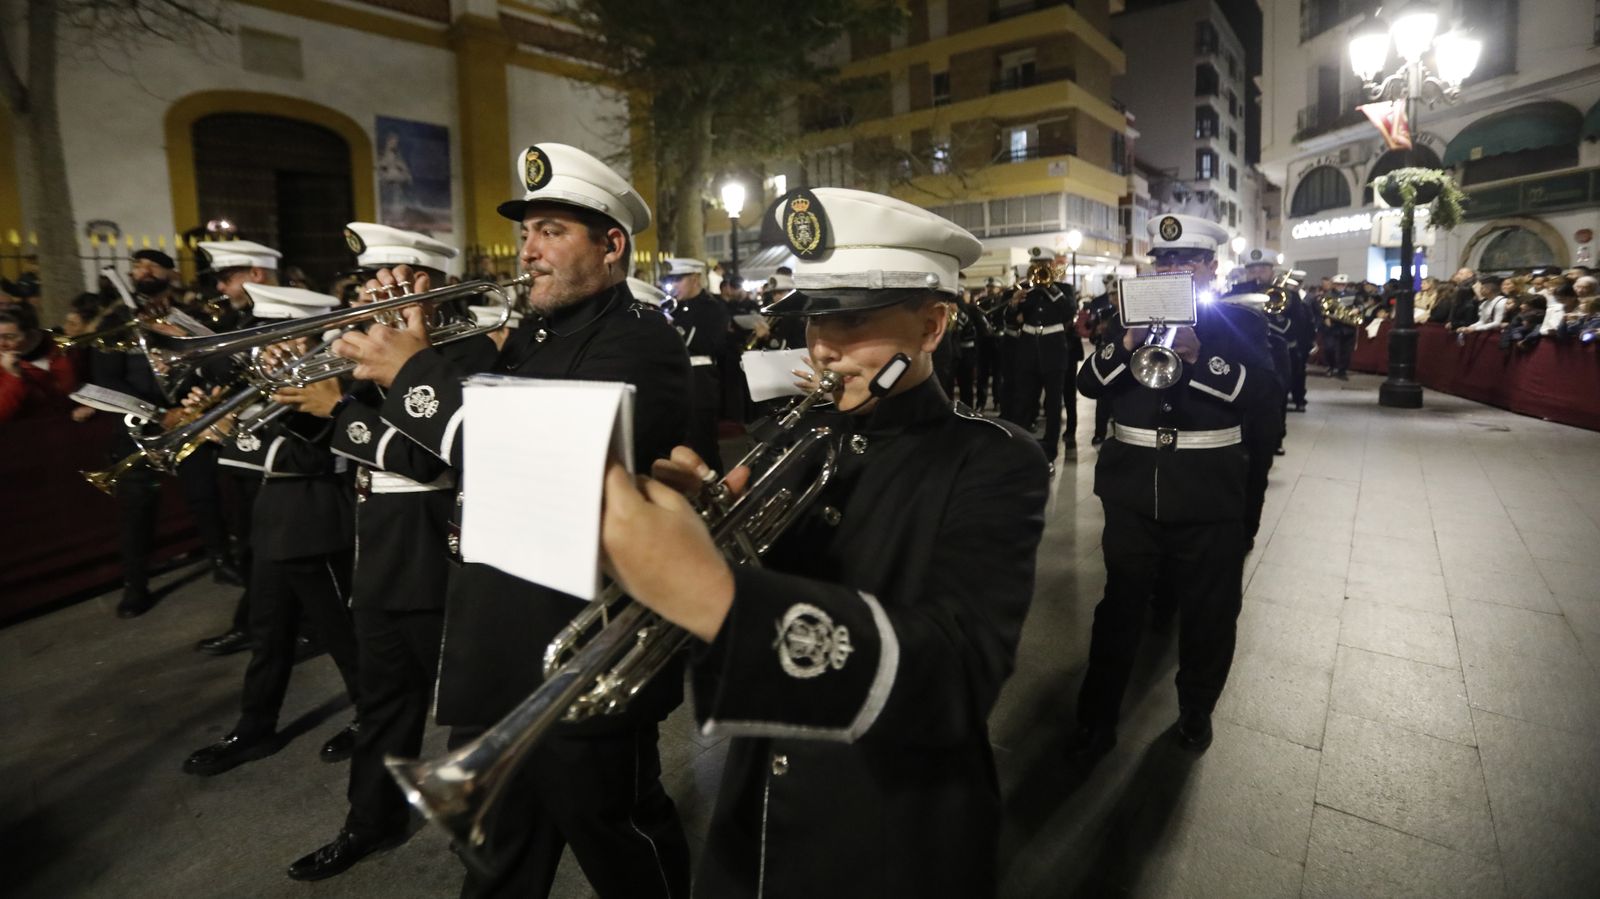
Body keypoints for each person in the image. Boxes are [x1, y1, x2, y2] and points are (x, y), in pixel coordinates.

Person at [599, 186, 1051, 896]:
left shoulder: (994, 458)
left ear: (932, 326)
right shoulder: (799, 432)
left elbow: (958, 671)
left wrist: (718, 592)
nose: (820, 346)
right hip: (755, 803)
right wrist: (705, 531)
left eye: (854, 319)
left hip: (888, 831)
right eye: (814, 318)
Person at [331, 142, 693, 899]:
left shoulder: (643, 342)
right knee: (494, 863)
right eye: (528, 233)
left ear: (611, 244)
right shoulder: (525, 336)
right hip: (496, 645)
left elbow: (551, 466)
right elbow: (432, 453)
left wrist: (416, 369)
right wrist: (397, 344)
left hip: (586, 653)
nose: (528, 251)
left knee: (621, 842)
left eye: (552, 230)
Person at [270, 222, 488, 881]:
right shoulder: (365, 347)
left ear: (427, 282)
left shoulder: (469, 349)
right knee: (382, 702)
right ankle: (369, 820)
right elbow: (323, 443)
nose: (375, 290)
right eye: (371, 278)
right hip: (379, 553)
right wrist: (288, 395)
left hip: (434, 552)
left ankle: (484, 837)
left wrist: (338, 411)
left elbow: (426, 457)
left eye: (391, 276)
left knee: (464, 716)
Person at [1071, 212, 1279, 760]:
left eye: (1186, 260)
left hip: (1208, 494)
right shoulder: (1130, 320)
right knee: (1119, 606)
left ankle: (1195, 709)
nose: (1174, 269)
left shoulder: (1240, 324)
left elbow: (1263, 396)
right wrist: (1125, 341)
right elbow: (1089, 382)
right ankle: (1096, 714)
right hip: (1133, 491)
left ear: (1210, 268)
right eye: (1164, 261)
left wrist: (1196, 356)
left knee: (1209, 611)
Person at [183, 282, 362, 777]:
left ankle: (374, 718)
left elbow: (310, 457)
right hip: (273, 525)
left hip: (318, 524)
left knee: (344, 637)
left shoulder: (330, 379)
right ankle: (255, 728)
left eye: (282, 337)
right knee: (268, 637)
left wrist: (228, 436)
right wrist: (218, 417)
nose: (270, 348)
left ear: (308, 337)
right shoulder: (270, 379)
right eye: (266, 336)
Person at [91, 249, 240, 617]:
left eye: (152, 265)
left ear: (170, 273)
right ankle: (135, 585)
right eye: (137, 266)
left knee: (205, 496)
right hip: (139, 427)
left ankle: (221, 561)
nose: (142, 271)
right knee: (138, 507)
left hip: (191, 420)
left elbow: (212, 361)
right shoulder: (116, 320)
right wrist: (159, 413)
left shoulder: (193, 314)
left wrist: (198, 402)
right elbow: (107, 378)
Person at [1004, 251, 1077, 466]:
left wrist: (1049, 287)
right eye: (1035, 263)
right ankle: (1022, 447)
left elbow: (1068, 312)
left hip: (1054, 351)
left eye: (1042, 263)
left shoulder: (1063, 289)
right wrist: (1014, 304)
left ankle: (1049, 451)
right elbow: (1010, 321)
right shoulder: (1025, 290)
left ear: (1051, 264)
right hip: (1027, 350)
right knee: (1024, 401)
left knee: (1053, 404)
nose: (1038, 267)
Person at [661, 257, 731, 473]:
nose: (674, 285)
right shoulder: (669, 307)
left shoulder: (713, 307)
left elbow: (712, 344)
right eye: (672, 280)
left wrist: (674, 330)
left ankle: (716, 492)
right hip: (670, 381)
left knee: (703, 445)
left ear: (695, 278)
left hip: (700, 381)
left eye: (679, 279)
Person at [0, 305, 78, 422]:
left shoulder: (61, 346)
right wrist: (12, 375)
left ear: (31, 334)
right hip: (34, 431)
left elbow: (86, 378)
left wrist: (88, 405)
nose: (1, 343)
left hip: (74, 423)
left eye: (9, 337)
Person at [1319, 273, 1358, 379]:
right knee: (1329, 348)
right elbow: (1322, 310)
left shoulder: (1352, 294)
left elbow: (1360, 304)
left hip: (1347, 326)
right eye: (1338, 284)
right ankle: (1331, 366)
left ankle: (1342, 371)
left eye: (1343, 284)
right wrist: (1325, 318)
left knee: (1346, 351)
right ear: (1334, 284)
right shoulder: (1328, 295)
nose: (1341, 286)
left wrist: (1358, 309)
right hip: (1333, 325)